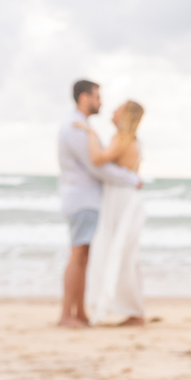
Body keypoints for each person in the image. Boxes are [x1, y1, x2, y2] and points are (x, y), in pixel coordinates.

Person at [57, 80, 142, 328]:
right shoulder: (76, 128)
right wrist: (132, 178)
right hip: (83, 199)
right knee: (78, 255)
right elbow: (98, 166)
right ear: (84, 97)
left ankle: (78, 313)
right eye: (97, 97)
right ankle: (66, 314)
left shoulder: (81, 127)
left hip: (87, 199)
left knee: (83, 256)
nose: (101, 102)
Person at [73, 100, 147, 326]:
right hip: (124, 199)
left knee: (118, 252)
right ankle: (133, 309)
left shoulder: (122, 139)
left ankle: (134, 311)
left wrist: (90, 132)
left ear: (126, 115)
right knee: (124, 254)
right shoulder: (131, 140)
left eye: (119, 108)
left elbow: (97, 159)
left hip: (121, 201)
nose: (114, 110)